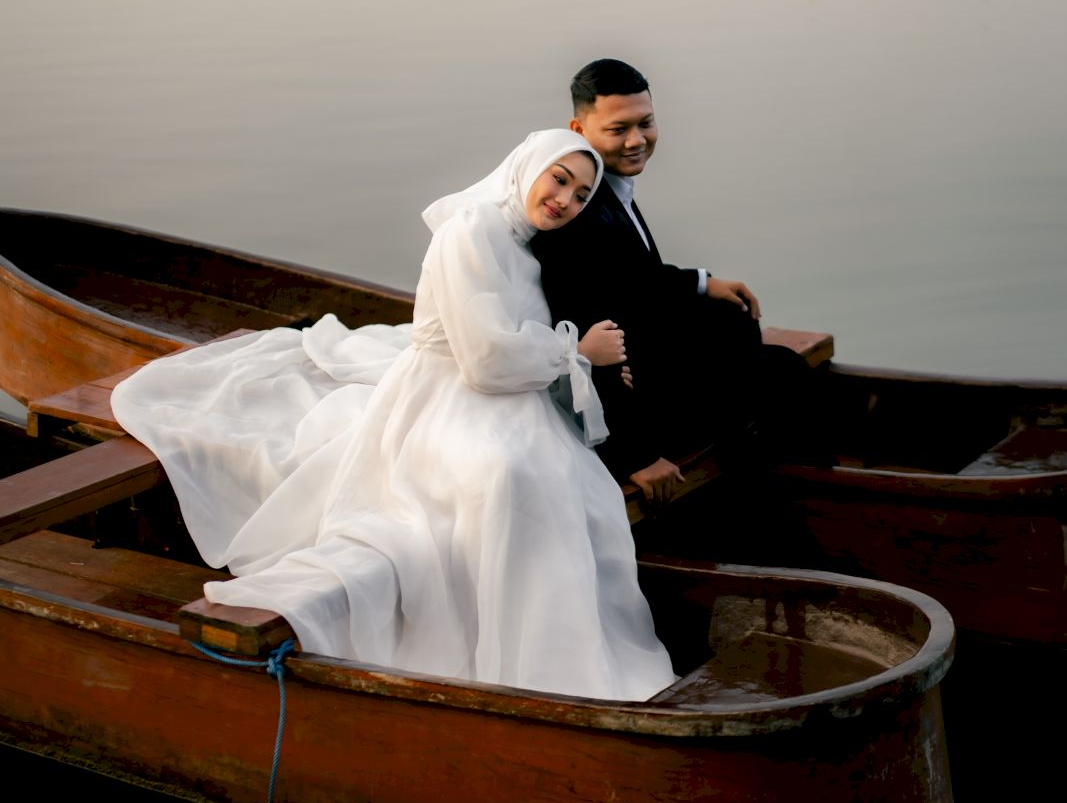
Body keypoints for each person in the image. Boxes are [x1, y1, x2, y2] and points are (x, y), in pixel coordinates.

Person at [111, 130, 675, 703]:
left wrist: (588, 368)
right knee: (504, 474)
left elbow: (517, 346)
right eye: (559, 180)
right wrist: (575, 351)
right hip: (446, 396)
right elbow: (484, 360)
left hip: (511, 398)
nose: (565, 200)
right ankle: (498, 649)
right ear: (529, 167)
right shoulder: (470, 231)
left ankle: (552, 642)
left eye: (581, 196)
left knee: (571, 481)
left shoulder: (529, 248)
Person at [533, 59, 810, 500]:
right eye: (619, 129)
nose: (636, 140)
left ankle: (767, 470)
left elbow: (634, 275)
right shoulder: (578, 213)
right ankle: (772, 488)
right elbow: (587, 340)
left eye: (645, 123)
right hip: (632, 396)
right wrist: (634, 456)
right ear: (579, 129)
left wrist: (703, 282)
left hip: (647, 350)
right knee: (783, 372)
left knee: (735, 319)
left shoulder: (607, 185)